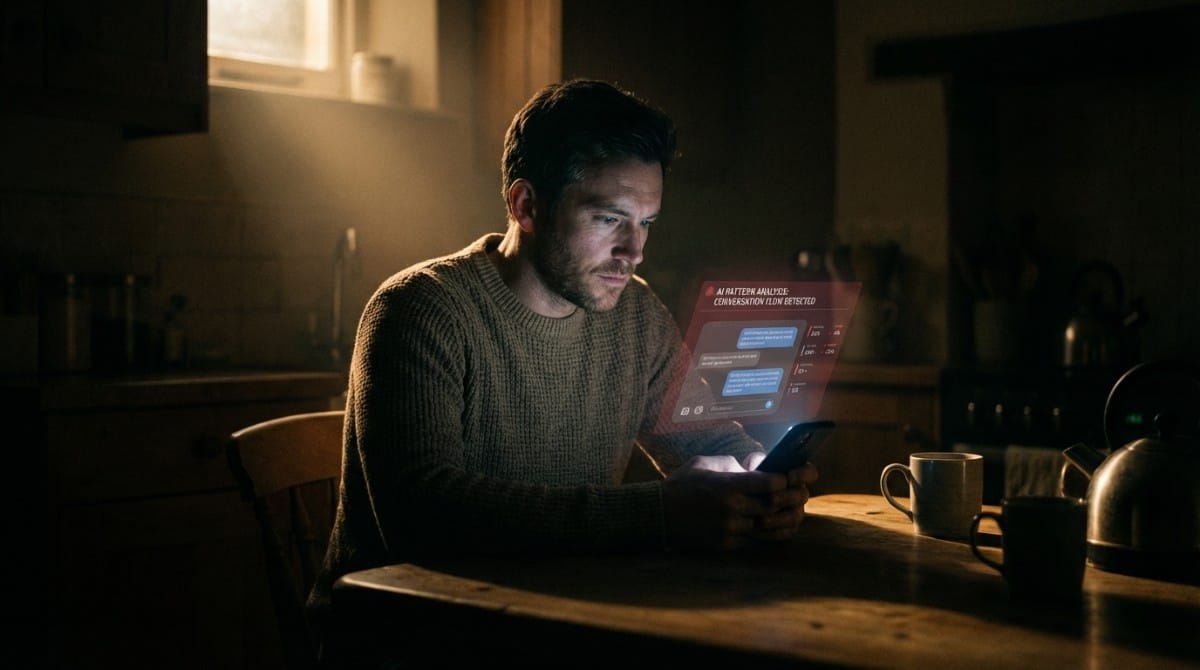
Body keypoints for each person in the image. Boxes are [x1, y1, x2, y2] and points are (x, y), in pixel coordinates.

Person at [307, 78, 817, 660]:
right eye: (609, 219)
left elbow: (710, 439)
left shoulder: (636, 313)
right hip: (409, 640)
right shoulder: (420, 308)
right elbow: (423, 516)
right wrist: (658, 515)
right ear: (526, 205)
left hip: (559, 622)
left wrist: (761, 482)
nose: (635, 250)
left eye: (646, 222)